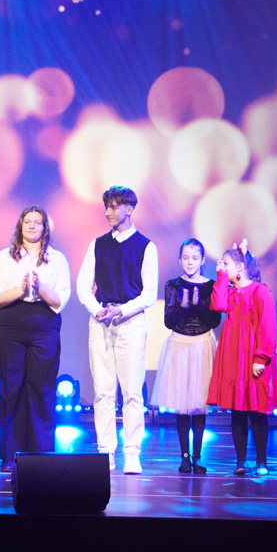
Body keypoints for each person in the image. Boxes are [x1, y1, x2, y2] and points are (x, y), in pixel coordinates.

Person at [75, 185, 158, 474]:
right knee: (103, 391)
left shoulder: (145, 246)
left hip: (130, 322)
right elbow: (83, 286)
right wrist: (97, 309)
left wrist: (121, 310)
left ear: (129, 209)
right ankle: (105, 451)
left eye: (114, 206)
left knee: (132, 391)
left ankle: (132, 452)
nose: (108, 212)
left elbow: (149, 294)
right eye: (106, 206)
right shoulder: (98, 244)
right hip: (101, 321)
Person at [0, 206, 71, 472]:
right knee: (10, 386)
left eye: (38, 222)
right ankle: (9, 454)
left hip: (44, 322)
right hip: (12, 320)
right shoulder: (5, 256)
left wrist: (39, 287)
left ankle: (41, 452)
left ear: (45, 227)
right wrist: (21, 289)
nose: (33, 226)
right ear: (20, 225)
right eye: (28, 222)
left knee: (42, 387)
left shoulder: (56, 259)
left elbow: (59, 300)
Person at [208, 243, 277, 476]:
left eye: (226, 264)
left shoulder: (260, 291)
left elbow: (267, 327)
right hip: (234, 357)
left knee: (257, 411)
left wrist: (261, 357)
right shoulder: (229, 292)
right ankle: (240, 461)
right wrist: (221, 276)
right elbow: (218, 305)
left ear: (240, 267)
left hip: (253, 357)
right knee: (237, 411)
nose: (222, 267)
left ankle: (262, 461)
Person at [152, 239, 222, 474]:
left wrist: (197, 306)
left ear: (202, 260)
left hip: (202, 345)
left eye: (194, 258)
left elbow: (215, 321)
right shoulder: (173, 285)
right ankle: (184, 457)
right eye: (185, 257)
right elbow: (168, 321)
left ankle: (198, 456)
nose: (190, 262)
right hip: (179, 346)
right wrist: (182, 306)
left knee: (199, 404)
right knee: (182, 404)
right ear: (179, 259)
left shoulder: (211, 286)